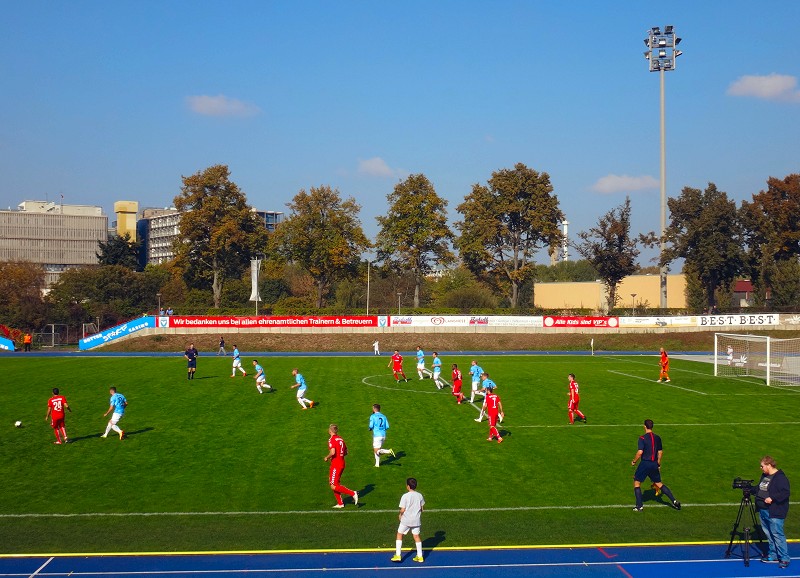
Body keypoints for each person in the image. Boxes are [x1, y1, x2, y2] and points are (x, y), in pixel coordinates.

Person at [630, 419, 680, 511]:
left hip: (645, 463)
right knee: (659, 484)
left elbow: (640, 452)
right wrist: (658, 463)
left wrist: (634, 461)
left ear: (644, 426)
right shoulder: (658, 438)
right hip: (654, 464)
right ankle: (674, 501)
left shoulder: (642, 438)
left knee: (637, 483)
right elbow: (660, 452)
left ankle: (639, 506)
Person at [756, 455, 791, 568]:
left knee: (777, 534)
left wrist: (772, 498)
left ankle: (784, 558)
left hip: (775, 511)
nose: (761, 468)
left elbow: (785, 492)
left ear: (769, 465)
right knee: (769, 534)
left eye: (762, 466)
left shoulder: (780, 478)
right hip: (764, 510)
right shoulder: (765, 476)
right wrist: (749, 488)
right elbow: (760, 488)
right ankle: (773, 554)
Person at [391, 477, 425, 563]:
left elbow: (402, 509)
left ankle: (398, 555)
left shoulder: (405, 496)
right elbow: (422, 508)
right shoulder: (420, 495)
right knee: (416, 536)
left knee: (399, 534)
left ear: (408, 486)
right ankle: (420, 556)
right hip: (416, 520)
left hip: (406, 520)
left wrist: (400, 515)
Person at [324, 424, 358, 508]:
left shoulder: (331, 440)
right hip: (342, 462)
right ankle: (340, 503)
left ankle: (353, 493)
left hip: (336, 464)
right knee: (334, 483)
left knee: (333, 485)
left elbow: (333, 452)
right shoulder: (341, 439)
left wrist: (327, 457)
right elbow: (346, 452)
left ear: (330, 431)